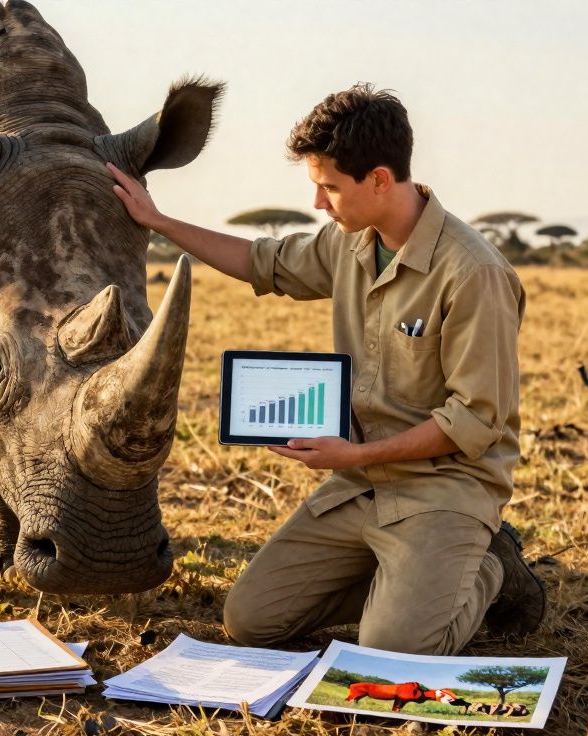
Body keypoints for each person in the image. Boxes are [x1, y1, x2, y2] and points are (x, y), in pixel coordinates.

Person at [105, 84, 544, 655]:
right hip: (360, 487)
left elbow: (474, 422)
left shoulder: (473, 274)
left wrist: (354, 455)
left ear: (381, 179)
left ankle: (488, 570)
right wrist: (159, 222)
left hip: (443, 489)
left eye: (329, 187)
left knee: (395, 648)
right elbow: (260, 262)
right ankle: (407, 581)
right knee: (251, 621)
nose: (318, 203)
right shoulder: (350, 243)